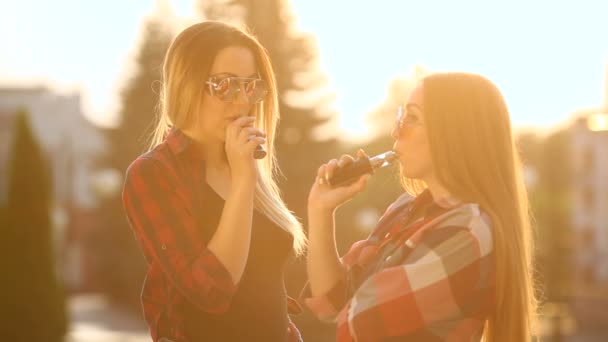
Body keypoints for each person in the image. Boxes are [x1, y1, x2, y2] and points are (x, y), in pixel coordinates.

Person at [303, 72, 537, 341]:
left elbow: (362, 324)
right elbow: (329, 302)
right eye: (401, 116)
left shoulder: (467, 232)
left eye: (411, 118)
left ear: (452, 133)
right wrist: (320, 210)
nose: (395, 131)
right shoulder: (405, 209)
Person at [122, 21, 307, 342]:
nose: (242, 101)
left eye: (251, 85)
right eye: (225, 85)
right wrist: (243, 181)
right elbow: (211, 290)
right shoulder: (152, 174)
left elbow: (264, 292)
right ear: (186, 84)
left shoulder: (242, 165)